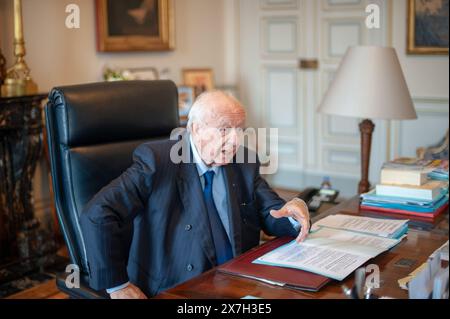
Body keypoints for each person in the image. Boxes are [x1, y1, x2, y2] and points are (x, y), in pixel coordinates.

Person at [80, 91, 310, 299]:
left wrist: (293, 209)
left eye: (240, 129)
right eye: (224, 129)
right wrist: (118, 285)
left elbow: (271, 211)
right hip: (176, 288)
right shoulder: (158, 162)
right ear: (196, 129)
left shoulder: (244, 161)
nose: (235, 140)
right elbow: (98, 212)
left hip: (238, 283)